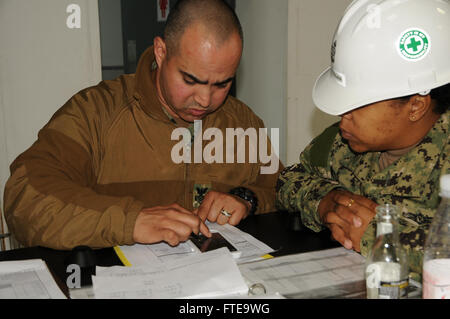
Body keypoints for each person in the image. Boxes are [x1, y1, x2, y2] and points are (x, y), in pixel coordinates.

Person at [3, 0, 282, 250]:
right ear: (161, 52)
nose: (205, 99)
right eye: (190, 80)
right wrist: (130, 221)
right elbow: (25, 198)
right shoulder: (97, 113)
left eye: (222, 83)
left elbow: (285, 190)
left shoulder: (242, 122)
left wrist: (248, 199)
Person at [276, 0, 449, 282]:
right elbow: (288, 181)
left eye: (357, 104)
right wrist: (325, 202)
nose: (343, 117)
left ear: (416, 106)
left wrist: (380, 236)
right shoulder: (343, 141)